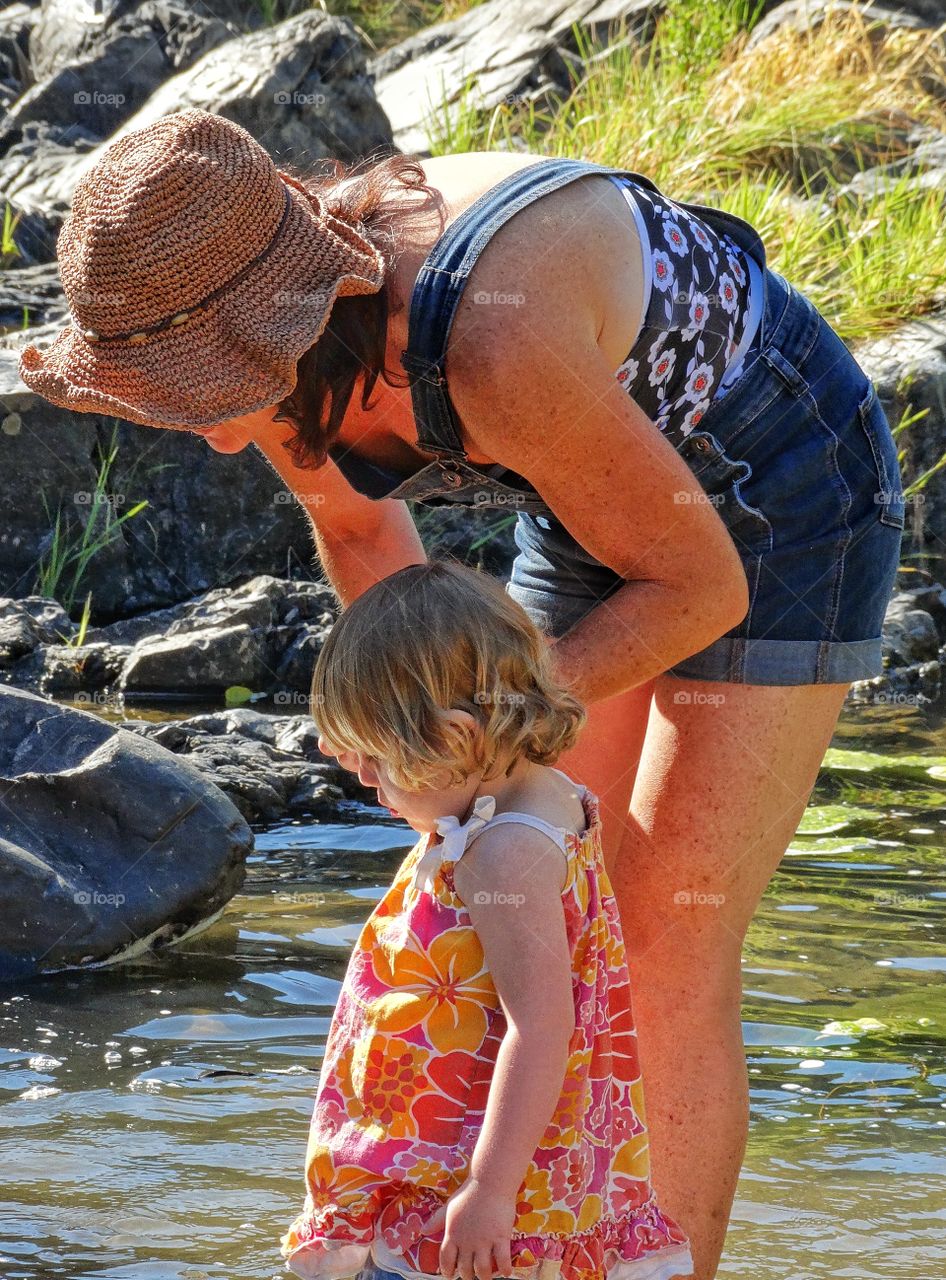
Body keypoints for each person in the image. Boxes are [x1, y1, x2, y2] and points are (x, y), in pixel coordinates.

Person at [16, 107, 905, 1278]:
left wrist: (491, 726)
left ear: (279, 324)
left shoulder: (488, 339)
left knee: (662, 925)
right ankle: (532, 1237)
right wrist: (414, 738)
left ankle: (664, 1261)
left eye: (194, 394)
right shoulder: (285, 353)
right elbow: (360, 527)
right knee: (508, 888)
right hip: (588, 478)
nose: (213, 438)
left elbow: (695, 585)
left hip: (771, 482)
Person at [279, 558, 695, 1280]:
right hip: (467, 1166)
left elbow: (541, 1026)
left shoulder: (503, 854)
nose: (367, 780)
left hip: (457, 1195)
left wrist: (489, 1190)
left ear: (454, 737)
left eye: (377, 761)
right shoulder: (534, 798)